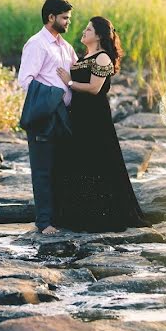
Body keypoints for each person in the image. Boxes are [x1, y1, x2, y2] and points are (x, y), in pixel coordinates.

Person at [53, 16, 149, 232]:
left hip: (94, 117)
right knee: (80, 161)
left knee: (96, 159)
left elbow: (95, 88)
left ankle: (102, 214)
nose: (84, 32)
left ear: (98, 35)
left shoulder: (102, 57)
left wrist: (68, 81)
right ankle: (79, 212)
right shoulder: (86, 56)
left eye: (88, 29)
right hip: (79, 114)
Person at [17, 0, 78, 235]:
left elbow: (77, 72)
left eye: (69, 18)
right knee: (42, 171)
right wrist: (54, 97)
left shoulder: (66, 46)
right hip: (44, 115)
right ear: (51, 17)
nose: (68, 22)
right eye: (64, 18)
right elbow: (25, 80)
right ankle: (44, 223)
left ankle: (60, 217)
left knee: (62, 169)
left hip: (64, 117)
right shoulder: (36, 44)